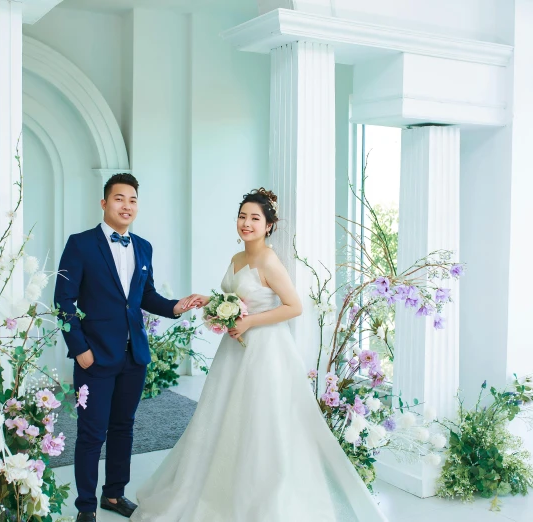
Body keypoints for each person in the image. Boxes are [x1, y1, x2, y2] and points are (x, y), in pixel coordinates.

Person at [129, 188, 388, 522]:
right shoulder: (236, 259)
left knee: (260, 421)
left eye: (255, 218)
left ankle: (262, 498)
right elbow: (234, 298)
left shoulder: (268, 260)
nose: (246, 223)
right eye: (242, 216)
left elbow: (293, 307)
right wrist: (211, 303)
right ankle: (216, 487)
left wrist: (249, 321)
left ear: (268, 226)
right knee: (222, 417)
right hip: (234, 350)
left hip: (265, 350)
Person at [54, 173, 206, 522]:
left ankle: (113, 495)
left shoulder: (143, 247)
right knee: (92, 433)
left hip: (133, 355)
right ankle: (86, 508)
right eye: (119, 198)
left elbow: (145, 295)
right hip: (94, 356)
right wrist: (80, 350)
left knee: (124, 427)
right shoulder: (80, 244)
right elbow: (63, 300)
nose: (127, 205)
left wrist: (175, 306)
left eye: (133, 200)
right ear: (104, 203)